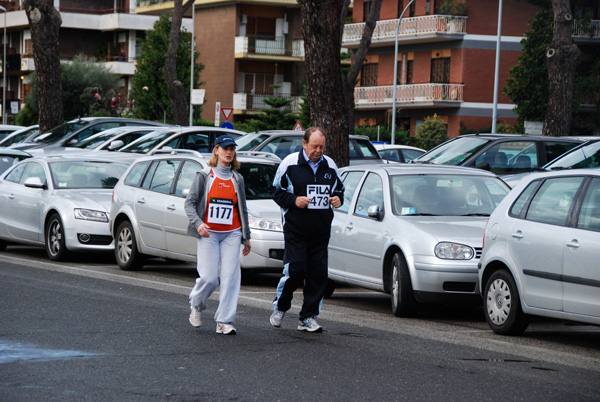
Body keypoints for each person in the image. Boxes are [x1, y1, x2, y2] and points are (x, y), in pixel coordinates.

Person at [269, 127, 344, 332]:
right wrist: (294, 200)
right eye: (314, 146)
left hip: (320, 230)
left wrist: (338, 199)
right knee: (296, 269)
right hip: (295, 228)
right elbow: (275, 191)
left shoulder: (330, 165)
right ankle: (280, 307)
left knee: (318, 275)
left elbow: (339, 190)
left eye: (321, 147)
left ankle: (308, 317)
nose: (318, 151)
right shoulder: (290, 163)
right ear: (304, 144)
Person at [184, 135, 251, 335]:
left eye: (232, 149)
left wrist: (246, 236)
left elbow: (243, 209)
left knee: (230, 278)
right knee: (210, 278)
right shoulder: (205, 175)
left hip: (232, 233)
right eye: (225, 148)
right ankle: (196, 305)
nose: (229, 152)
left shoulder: (237, 178)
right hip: (209, 234)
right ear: (216, 150)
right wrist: (198, 224)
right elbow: (189, 203)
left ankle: (224, 321)